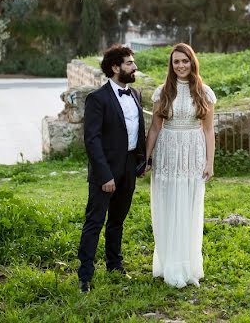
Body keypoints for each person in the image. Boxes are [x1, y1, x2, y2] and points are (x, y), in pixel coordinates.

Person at [145, 43, 216, 288]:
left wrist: (209, 161)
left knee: (188, 205)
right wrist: (147, 158)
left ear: (192, 62)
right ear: (171, 65)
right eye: (176, 62)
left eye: (185, 61)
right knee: (167, 205)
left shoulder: (204, 92)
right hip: (168, 153)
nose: (181, 65)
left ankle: (188, 265)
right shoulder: (162, 92)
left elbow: (208, 129)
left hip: (192, 154)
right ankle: (168, 264)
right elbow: (155, 127)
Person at [77, 45, 146, 293]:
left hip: (129, 167)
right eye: (129, 63)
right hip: (105, 170)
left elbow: (139, 130)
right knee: (95, 222)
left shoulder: (136, 94)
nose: (134, 67)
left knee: (118, 220)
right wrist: (105, 175)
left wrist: (141, 161)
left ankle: (114, 265)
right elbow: (92, 140)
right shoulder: (97, 98)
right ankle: (85, 275)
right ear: (115, 68)